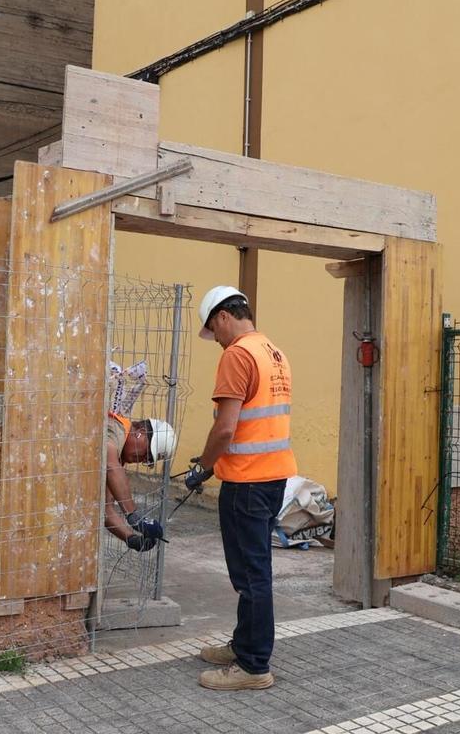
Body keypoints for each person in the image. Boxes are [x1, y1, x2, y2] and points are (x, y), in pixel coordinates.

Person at [185, 285, 296, 691]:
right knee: (255, 571)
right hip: (273, 476)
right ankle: (244, 644)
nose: (215, 340)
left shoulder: (238, 355)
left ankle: (253, 667)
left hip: (247, 481)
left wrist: (205, 465)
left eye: (213, 331)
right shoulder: (273, 352)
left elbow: (227, 426)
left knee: (251, 576)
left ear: (222, 318)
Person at [104, 412, 176, 552]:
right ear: (141, 433)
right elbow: (111, 466)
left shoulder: (118, 458)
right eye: (147, 453)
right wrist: (135, 515)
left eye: (148, 460)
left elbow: (105, 509)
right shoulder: (115, 429)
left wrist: (131, 539)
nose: (143, 459)